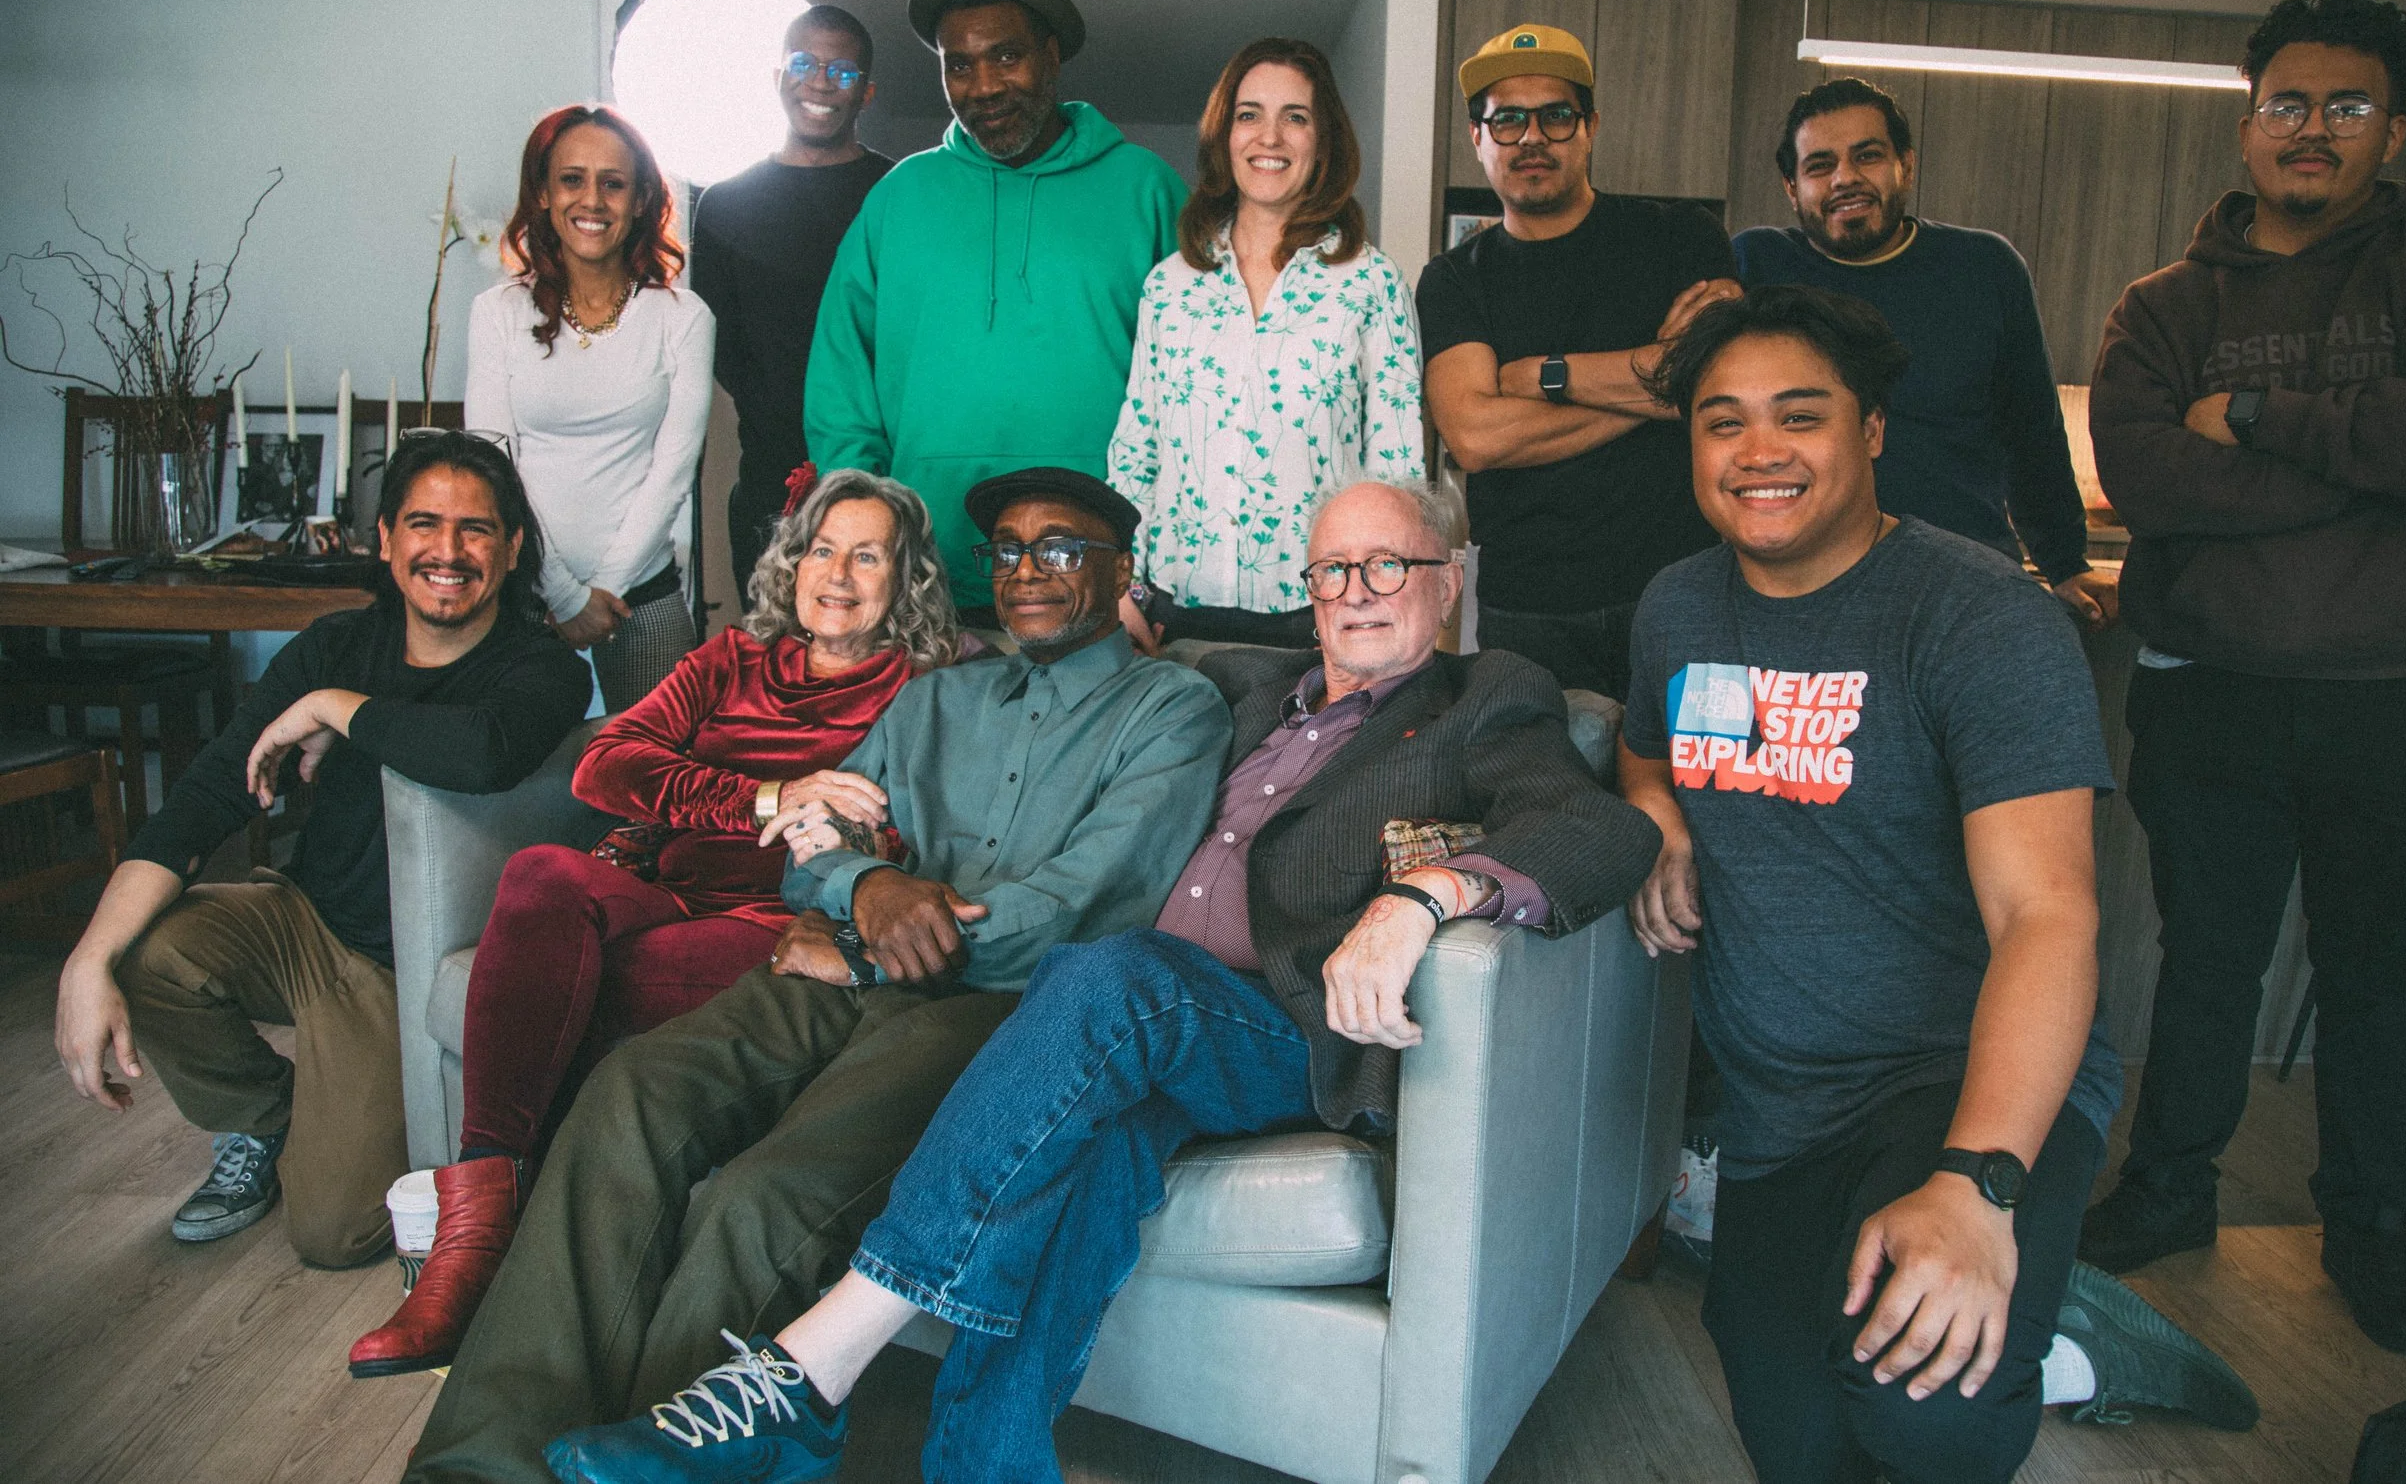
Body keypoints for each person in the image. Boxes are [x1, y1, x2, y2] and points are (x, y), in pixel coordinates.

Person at [540, 476, 1666, 1484]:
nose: (1358, 590)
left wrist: (1422, 898)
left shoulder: (1486, 694)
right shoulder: (1240, 687)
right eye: (1332, 568)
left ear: (1448, 579)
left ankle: (808, 1369)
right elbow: (1093, 682)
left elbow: (1592, 830)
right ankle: (984, 1463)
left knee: (1110, 974)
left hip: (1279, 1017)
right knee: (1090, 1151)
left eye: (1390, 565)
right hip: (1139, 1028)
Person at [403, 467, 1230, 1484]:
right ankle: (482, 1461)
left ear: (1119, 571)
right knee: (630, 1093)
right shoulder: (940, 698)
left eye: (1060, 549)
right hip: (825, 974)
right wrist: (869, 880)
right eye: (1008, 550)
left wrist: (869, 932)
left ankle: (644, 1460)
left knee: (769, 1190)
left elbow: (1086, 899)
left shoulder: (1172, 707)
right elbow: (815, 834)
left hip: (990, 1010)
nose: (1027, 570)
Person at [1617, 286, 2251, 1483]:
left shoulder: (1978, 616)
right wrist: (1654, 810)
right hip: (1782, 1118)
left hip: (1961, 1080)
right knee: (1797, 1445)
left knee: (1920, 1404)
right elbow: (1649, 742)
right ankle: (2049, 1321)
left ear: (1869, 432)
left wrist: (1975, 1186)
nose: (1759, 451)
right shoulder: (1679, 607)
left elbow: (2047, 911)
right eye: (1722, 421)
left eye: (1798, 416)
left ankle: (2042, 1303)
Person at [2083, 0, 2406, 1358]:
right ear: (2248, 118)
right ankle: (2171, 1184)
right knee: (2205, 955)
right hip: (2215, 684)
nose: (2312, 130)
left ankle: (2373, 1220)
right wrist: (2360, 479)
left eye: (2348, 105)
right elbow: (2149, 474)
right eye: (2288, 104)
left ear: (2393, 130)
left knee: (2381, 972)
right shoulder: (2161, 305)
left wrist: (2261, 418)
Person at [348, 468, 963, 1378]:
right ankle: (476, 1228)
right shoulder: (730, 662)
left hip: (779, 922)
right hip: (669, 883)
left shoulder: (929, 688)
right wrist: (768, 797)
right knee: (540, 874)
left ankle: (506, 1270)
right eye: (822, 548)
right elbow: (605, 762)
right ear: (791, 564)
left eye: (867, 555)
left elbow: (930, 831)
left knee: (576, 978)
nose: (837, 573)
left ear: (904, 577)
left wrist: (843, 834)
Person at [51, 432, 592, 1267]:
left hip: (400, 968)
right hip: (302, 919)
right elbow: (202, 799)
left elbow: (481, 753)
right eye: (423, 523)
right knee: (140, 946)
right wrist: (85, 960)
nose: (447, 551)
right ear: (385, 539)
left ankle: (325, 1113)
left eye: (476, 529)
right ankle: (268, 1119)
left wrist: (335, 708)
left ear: (513, 548)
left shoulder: (543, 670)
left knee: (336, 1232)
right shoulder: (335, 643)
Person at [805, 0, 1187, 620]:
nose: (982, 87)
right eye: (959, 66)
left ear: (1051, 53)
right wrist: (871, 530)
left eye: (1006, 56)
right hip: (926, 574)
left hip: (1098, 577)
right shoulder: (900, 198)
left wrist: (1151, 561)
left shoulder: (1146, 190)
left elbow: (1196, 386)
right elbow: (840, 385)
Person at [1417, 22, 1740, 699]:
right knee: (1539, 799)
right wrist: (1657, 380)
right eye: (1506, 120)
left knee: (1703, 796)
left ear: (1590, 127)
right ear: (1478, 140)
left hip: (1687, 593)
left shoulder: (1681, 238)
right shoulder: (1453, 279)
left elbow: (1716, 384)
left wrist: (1541, 377)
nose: (1531, 137)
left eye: (1555, 116)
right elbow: (1475, 437)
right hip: (1530, 612)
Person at [1732, 77, 2116, 628]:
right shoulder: (1756, 266)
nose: (1845, 178)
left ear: (1905, 167)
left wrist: (2065, 563)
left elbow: (2032, 432)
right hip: (1806, 591)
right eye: (1819, 165)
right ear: (1791, 188)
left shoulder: (1984, 268)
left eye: (1867, 156)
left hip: (1964, 589)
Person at [1108, 37, 1424, 650]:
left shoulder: (1370, 283)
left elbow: (1398, 468)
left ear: (1323, 140)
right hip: (1170, 618)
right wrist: (1121, 593)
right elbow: (1136, 451)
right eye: (1249, 115)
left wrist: (1382, 609)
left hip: (1320, 621)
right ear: (1224, 136)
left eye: (1295, 118)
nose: (1269, 138)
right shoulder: (1170, 286)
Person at [468, 103, 715, 711]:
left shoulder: (683, 318)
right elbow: (493, 466)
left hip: (642, 587)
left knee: (666, 775)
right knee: (517, 774)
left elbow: (673, 472)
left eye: (614, 183)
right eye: (572, 179)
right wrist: (564, 593)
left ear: (640, 202)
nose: (593, 201)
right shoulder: (497, 313)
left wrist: (602, 588)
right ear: (544, 196)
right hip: (520, 584)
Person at [689, 5, 896, 601]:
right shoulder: (724, 206)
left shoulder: (897, 194)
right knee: (771, 666)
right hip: (768, 480)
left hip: (883, 477)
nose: (820, 82)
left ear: (868, 93)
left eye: (843, 72)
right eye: (803, 63)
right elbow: (721, 351)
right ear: (777, 75)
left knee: (878, 668)